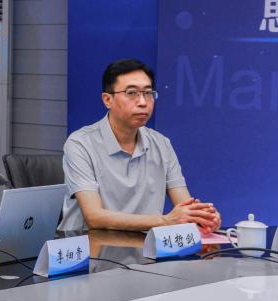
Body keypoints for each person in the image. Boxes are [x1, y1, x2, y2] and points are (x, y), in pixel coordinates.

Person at [60, 58, 221, 233]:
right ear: (107, 99)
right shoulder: (80, 144)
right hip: (89, 244)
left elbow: (184, 205)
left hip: (143, 246)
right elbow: (94, 217)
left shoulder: (161, 144)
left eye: (148, 93)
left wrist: (201, 218)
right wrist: (166, 221)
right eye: (132, 93)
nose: (143, 102)